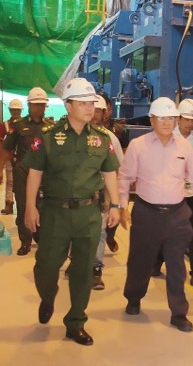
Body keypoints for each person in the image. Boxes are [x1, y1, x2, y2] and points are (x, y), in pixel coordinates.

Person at [23, 78, 121, 346]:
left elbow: (109, 172)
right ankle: (48, 296)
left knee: (83, 271)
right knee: (45, 266)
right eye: (83, 103)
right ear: (68, 106)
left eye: (92, 103)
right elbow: (35, 172)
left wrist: (115, 205)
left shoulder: (101, 139)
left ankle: (76, 322)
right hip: (55, 213)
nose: (90, 108)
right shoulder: (48, 136)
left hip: (88, 214)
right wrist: (30, 207)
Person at [118, 97, 193, 333]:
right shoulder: (138, 146)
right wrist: (122, 207)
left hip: (177, 214)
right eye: (162, 118)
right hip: (146, 213)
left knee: (177, 265)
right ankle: (133, 298)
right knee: (139, 261)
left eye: (171, 118)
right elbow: (125, 178)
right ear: (152, 120)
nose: (167, 122)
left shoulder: (185, 148)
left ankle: (179, 313)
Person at [1, 89, 53, 254]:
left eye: (42, 105)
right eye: (36, 105)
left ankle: (40, 236)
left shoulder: (50, 127)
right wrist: (0, 169)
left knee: (42, 205)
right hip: (23, 172)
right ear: (29, 105)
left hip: (44, 173)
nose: (40, 108)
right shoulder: (18, 126)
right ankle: (25, 241)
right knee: (23, 206)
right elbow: (6, 149)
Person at [91, 95, 124, 290]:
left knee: (100, 231)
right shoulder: (75, 135)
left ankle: (96, 269)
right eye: (92, 109)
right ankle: (76, 261)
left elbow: (118, 169)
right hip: (78, 192)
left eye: (98, 111)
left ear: (104, 114)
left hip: (102, 192)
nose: (94, 114)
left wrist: (115, 201)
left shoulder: (110, 138)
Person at [1, 99, 23, 214]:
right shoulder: (4, 125)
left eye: (17, 110)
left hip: (23, 158)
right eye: (13, 110)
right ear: (10, 110)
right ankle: (9, 203)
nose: (16, 112)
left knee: (23, 181)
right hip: (9, 157)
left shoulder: (25, 124)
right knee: (10, 181)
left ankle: (23, 204)